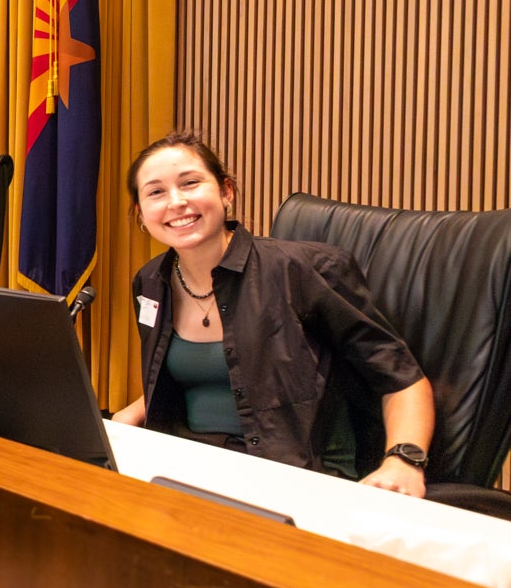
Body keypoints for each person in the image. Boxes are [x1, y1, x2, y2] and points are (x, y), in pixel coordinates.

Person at [112, 132, 434, 496]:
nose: (177, 202)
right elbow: (203, 371)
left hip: (291, 478)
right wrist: (130, 415)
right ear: (141, 213)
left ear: (226, 191)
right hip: (185, 467)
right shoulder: (151, 281)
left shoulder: (305, 270)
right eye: (156, 192)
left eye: (191, 183)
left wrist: (404, 461)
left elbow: (401, 379)